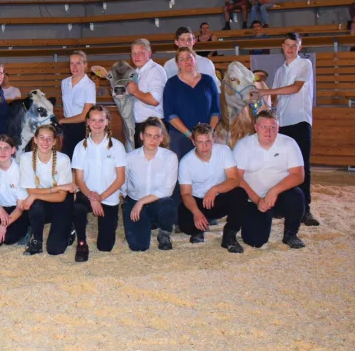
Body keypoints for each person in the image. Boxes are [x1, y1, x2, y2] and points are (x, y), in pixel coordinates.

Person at [252, 32, 318, 226]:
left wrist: (265, 91)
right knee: (280, 166)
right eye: (287, 45)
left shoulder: (305, 64)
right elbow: (276, 100)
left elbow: (295, 88)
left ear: (300, 47)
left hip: (300, 121)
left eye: (294, 45)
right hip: (281, 124)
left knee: (302, 166)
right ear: (282, 46)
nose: (290, 49)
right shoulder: (280, 70)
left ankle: (305, 209)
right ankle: (281, 205)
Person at [233, 110, 306, 249]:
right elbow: (236, 178)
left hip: (279, 196)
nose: (268, 131)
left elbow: (298, 175)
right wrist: (257, 200)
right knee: (255, 241)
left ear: (278, 128)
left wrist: (274, 191)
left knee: (296, 195)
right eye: (264, 127)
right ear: (256, 127)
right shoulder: (243, 145)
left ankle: (291, 234)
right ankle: (255, 218)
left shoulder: (289, 143)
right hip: (252, 199)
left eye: (273, 127)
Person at [177, 124, 246, 253]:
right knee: (186, 225)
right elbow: (186, 194)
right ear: (193, 142)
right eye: (200, 142)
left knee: (240, 194)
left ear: (214, 139)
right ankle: (199, 229)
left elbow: (234, 179)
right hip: (197, 200)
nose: (205, 146)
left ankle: (229, 235)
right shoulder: (186, 162)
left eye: (208, 141)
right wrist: (196, 212)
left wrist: (215, 189)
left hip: (218, 197)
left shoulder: (224, 150)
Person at [71, 105, 126, 262]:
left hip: (108, 197)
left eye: (101, 120)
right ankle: (81, 243)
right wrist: (92, 197)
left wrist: (100, 197)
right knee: (78, 207)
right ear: (87, 122)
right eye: (93, 120)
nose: (97, 124)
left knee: (105, 247)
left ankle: (111, 221)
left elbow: (120, 178)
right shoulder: (80, 147)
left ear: (107, 121)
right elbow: (79, 179)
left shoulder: (117, 146)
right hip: (87, 194)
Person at [18, 124, 77, 256]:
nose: (45, 142)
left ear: (55, 141)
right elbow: (31, 192)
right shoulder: (26, 158)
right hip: (42, 201)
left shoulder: (63, 159)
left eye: (49, 138)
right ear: (35, 139)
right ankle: (37, 241)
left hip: (61, 201)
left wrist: (36, 195)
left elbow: (61, 196)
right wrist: (59, 187)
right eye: (41, 137)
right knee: (35, 204)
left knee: (54, 250)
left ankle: (69, 225)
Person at [122, 118, 178, 252]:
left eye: (157, 136)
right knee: (138, 246)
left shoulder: (170, 157)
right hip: (134, 201)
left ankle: (164, 231)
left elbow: (168, 189)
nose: (153, 140)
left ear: (162, 138)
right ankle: (148, 223)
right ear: (141, 136)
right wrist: (126, 201)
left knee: (168, 205)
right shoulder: (129, 157)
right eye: (149, 135)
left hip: (158, 202)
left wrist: (141, 201)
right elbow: (122, 182)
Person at [162, 47, 220, 160]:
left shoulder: (208, 81)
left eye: (189, 57)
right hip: (180, 137)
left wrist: (209, 133)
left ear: (195, 59)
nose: (187, 61)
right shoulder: (171, 84)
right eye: (182, 59)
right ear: (178, 64)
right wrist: (190, 135)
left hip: (206, 138)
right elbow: (170, 115)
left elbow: (216, 111)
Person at [128, 39, 167, 150]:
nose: (136, 56)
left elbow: (154, 100)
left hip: (154, 126)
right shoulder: (135, 73)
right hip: (139, 125)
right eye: (133, 53)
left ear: (149, 54)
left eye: (140, 52)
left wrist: (135, 92)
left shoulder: (155, 70)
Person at [59, 51, 96, 160]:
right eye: (72, 63)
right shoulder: (64, 82)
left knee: (82, 161)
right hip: (67, 127)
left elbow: (85, 115)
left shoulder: (89, 85)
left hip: (82, 128)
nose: (74, 67)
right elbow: (66, 108)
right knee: (67, 160)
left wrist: (62, 121)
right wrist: (63, 128)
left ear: (85, 65)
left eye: (78, 63)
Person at [163, 27, 219, 91]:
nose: (187, 43)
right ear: (176, 42)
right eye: (182, 40)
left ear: (194, 41)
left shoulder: (206, 63)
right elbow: (166, 89)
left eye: (189, 39)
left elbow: (216, 89)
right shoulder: (169, 65)